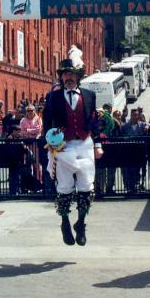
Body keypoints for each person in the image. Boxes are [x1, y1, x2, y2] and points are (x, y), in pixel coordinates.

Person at [43, 58, 103, 246]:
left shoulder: (89, 95)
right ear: (61, 77)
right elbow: (46, 122)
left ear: (78, 76)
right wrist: (51, 143)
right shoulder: (53, 96)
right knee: (65, 186)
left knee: (86, 185)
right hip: (64, 145)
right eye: (65, 74)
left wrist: (97, 143)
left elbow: (94, 121)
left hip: (84, 143)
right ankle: (65, 223)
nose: (69, 77)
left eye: (72, 74)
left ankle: (81, 223)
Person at [121, 109, 147, 193]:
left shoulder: (142, 125)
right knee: (128, 170)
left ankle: (136, 185)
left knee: (137, 169)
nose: (135, 117)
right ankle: (128, 186)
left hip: (139, 152)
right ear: (130, 115)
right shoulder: (125, 126)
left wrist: (148, 126)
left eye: (136, 115)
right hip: (128, 151)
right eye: (133, 115)